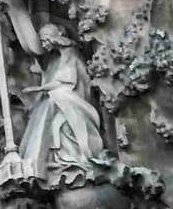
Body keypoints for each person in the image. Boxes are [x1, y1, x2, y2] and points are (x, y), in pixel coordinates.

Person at [18, 37, 107, 184]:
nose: (44, 45)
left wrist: (38, 89)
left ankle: (76, 158)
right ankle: (48, 161)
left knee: (57, 107)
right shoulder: (54, 61)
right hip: (61, 98)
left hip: (69, 98)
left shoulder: (70, 56)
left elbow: (63, 81)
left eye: (46, 40)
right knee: (49, 112)